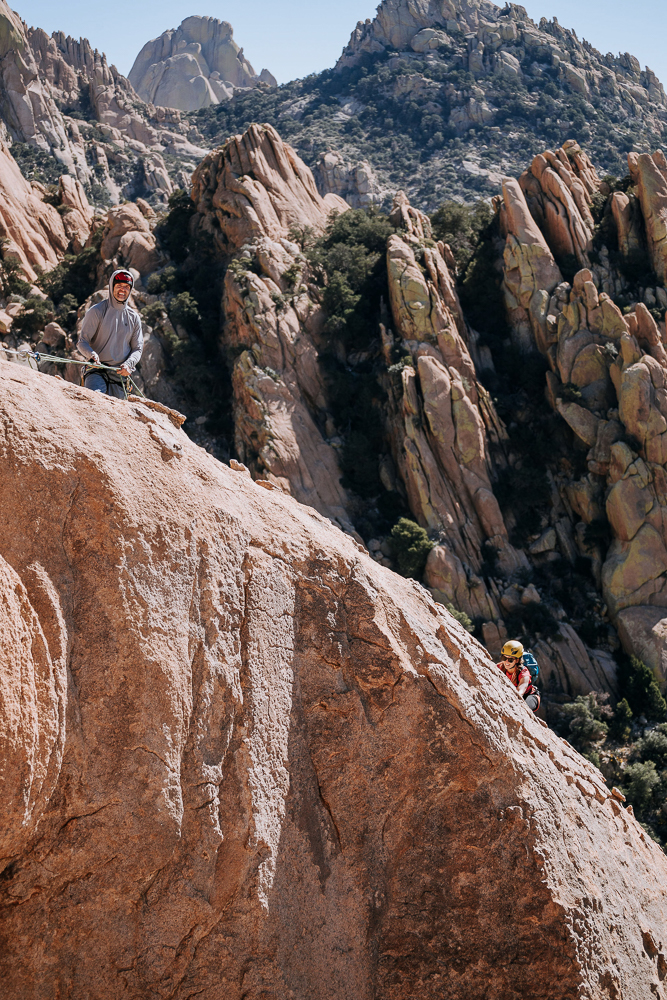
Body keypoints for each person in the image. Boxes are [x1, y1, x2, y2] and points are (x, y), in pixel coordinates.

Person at [78, 268, 143, 398]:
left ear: (130, 289)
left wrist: (129, 364)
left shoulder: (134, 318)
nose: (122, 290)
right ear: (112, 287)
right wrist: (91, 355)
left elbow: (137, 349)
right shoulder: (96, 311)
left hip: (120, 375)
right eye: (119, 286)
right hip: (96, 370)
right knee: (95, 400)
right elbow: (82, 342)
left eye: (126, 286)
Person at [497, 640, 540, 712]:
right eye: (504, 658)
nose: (506, 662)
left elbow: (520, 691)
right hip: (510, 694)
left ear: (517, 660)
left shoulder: (524, 673)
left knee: (525, 709)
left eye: (510, 660)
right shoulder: (500, 666)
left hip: (529, 695)